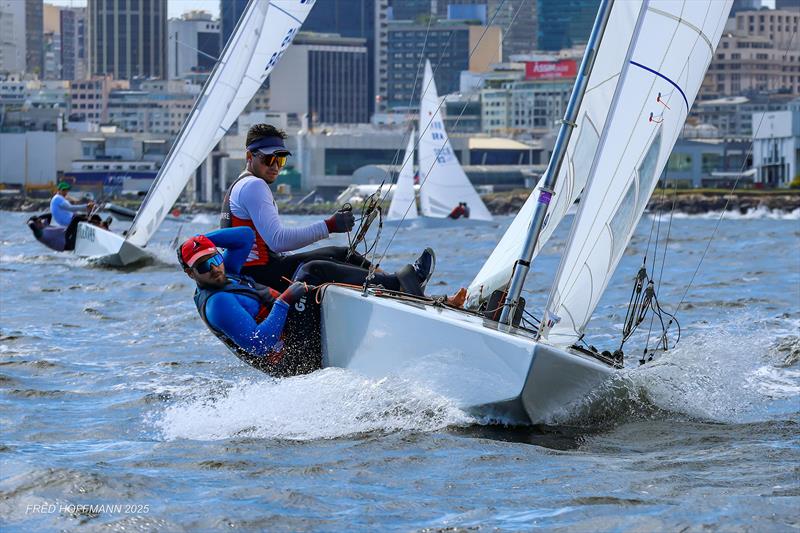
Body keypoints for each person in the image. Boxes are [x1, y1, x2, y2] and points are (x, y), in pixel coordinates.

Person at [179, 226, 436, 375]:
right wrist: (285, 301)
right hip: (294, 358)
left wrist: (200, 240)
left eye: (214, 259)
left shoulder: (228, 273)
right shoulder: (218, 303)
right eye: (202, 266)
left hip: (293, 335)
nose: (213, 268)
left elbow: (245, 236)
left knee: (331, 257)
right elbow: (259, 345)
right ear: (191, 274)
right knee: (313, 271)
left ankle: (400, 291)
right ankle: (399, 284)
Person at [221, 123, 384, 291]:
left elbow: (273, 246)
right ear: (249, 156)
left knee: (341, 254)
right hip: (261, 275)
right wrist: (330, 226)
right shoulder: (253, 185)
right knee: (324, 265)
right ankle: (393, 285)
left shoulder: (239, 185)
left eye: (281, 159)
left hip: (258, 270)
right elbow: (278, 241)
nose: (275, 166)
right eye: (269, 159)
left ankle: (388, 283)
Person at [49, 181, 95, 250]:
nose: (65, 192)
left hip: (70, 220)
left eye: (66, 190)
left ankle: (100, 227)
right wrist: (86, 206)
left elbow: (71, 209)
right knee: (87, 219)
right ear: (58, 190)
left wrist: (87, 207)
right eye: (63, 190)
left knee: (91, 217)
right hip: (68, 221)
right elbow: (70, 208)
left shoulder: (60, 198)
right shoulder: (57, 198)